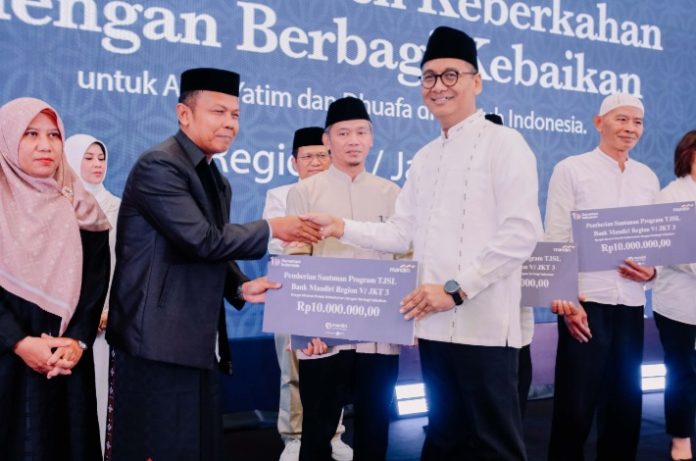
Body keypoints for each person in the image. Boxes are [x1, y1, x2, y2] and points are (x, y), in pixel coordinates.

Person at [305, 27, 543, 460]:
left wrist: (456, 290)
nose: (438, 86)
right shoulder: (425, 157)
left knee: (496, 447)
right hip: (434, 327)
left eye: (451, 75)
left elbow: (521, 232)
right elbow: (401, 233)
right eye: (429, 77)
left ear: (477, 82)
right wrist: (341, 226)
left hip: (485, 328)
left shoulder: (506, 144)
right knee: (444, 440)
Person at [105, 67, 320, 461]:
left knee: (197, 445)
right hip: (155, 342)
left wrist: (239, 285)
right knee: (159, 448)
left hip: (195, 338)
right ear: (184, 114)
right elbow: (201, 239)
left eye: (235, 114)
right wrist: (274, 228)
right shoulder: (160, 166)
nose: (230, 123)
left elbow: (209, 246)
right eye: (218, 112)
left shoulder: (213, 174)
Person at [286, 97, 402, 461]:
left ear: (372, 138)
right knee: (317, 431)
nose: (354, 140)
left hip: (378, 335)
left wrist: (405, 321)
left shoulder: (392, 193)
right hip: (324, 335)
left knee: (375, 426)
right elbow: (296, 261)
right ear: (327, 140)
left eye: (361, 132)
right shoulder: (305, 192)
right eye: (344, 133)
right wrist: (304, 329)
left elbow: (404, 258)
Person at [545, 93, 660, 460]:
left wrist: (653, 270)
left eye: (637, 122)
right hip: (585, 303)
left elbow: (655, 240)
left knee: (625, 406)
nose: (630, 128)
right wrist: (566, 299)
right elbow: (556, 235)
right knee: (574, 408)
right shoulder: (572, 169)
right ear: (599, 122)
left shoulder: (647, 177)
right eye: (621, 119)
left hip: (631, 303)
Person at [0, 97, 111, 460]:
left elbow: (96, 280)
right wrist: (18, 342)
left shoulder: (80, 205)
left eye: (53, 135)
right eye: (30, 134)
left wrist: (77, 341)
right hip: (7, 357)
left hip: (66, 361)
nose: (45, 145)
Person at [262, 126, 352, 461]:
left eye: (322, 155)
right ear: (294, 162)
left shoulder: (342, 196)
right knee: (293, 367)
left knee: (334, 366)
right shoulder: (280, 194)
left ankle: (334, 434)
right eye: (308, 156)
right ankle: (294, 436)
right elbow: (277, 241)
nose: (316, 162)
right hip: (291, 288)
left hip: (333, 290)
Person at [65, 133, 121, 455]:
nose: (97, 164)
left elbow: (124, 265)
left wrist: (109, 307)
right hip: (66, 320)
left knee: (102, 393)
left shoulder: (118, 208)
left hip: (105, 320)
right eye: (88, 158)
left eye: (101, 158)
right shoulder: (59, 204)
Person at [652, 130, 696, 461]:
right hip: (679, 304)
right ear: (689, 155)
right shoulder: (669, 197)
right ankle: (681, 439)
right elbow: (675, 251)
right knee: (682, 372)